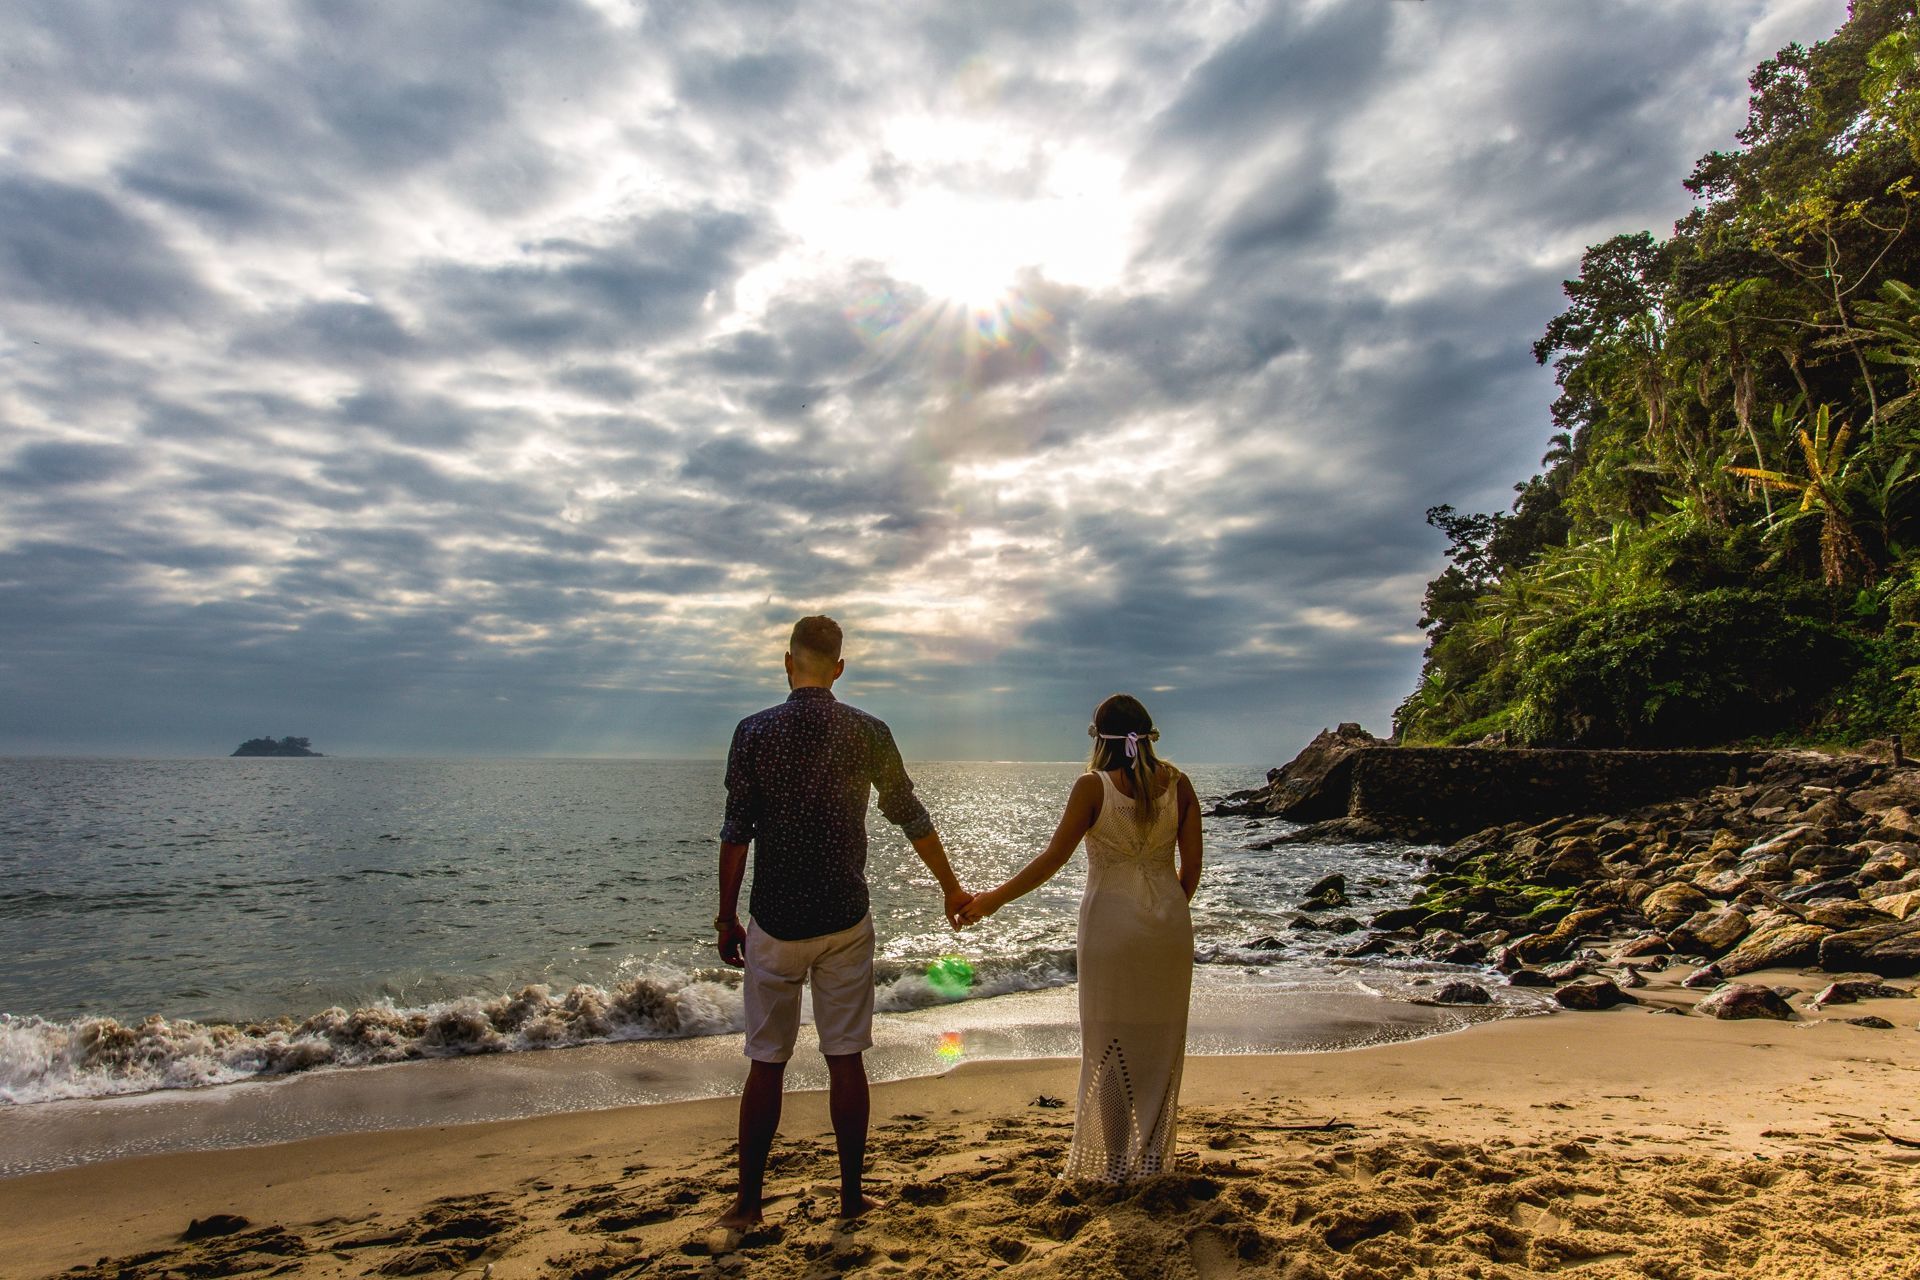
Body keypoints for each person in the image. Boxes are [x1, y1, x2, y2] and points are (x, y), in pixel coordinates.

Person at [713, 615, 971, 1228]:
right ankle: (851, 1199)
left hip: (775, 922)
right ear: (838, 667)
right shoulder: (868, 731)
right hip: (845, 918)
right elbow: (908, 812)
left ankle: (748, 1205)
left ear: (787, 663)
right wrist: (951, 886)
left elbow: (735, 834)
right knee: (845, 1056)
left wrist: (727, 917)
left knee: (766, 1061)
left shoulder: (752, 732)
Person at [957, 693, 1201, 1182]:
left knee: (1110, 1044)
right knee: (1159, 1044)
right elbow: (1190, 872)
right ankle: (1152, 1161)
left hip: (1109, 928)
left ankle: (1113, 1164)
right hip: (1171, 929)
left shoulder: (1092, 787)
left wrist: (992, 899)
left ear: (1100, 737)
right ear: (1147, 734)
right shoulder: (1180, 784)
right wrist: (1164, 915)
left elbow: (1052, 860)